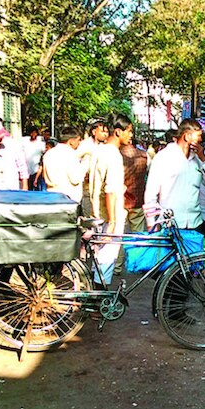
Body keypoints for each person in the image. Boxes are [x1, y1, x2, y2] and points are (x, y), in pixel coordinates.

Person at [143, 119, 205, 231]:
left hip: (195, 223)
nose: (201, 140)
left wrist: (204, 159)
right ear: (187, 137)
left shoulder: (198, 158)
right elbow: (151, 193)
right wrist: (151, 223)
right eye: (198, 136)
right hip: (170, 223)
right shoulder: (164, 157)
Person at [90, 113, 130, 284]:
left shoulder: (100, 151)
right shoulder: (113, 155)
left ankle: (94, 299)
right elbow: (110, 191)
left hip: (97, 212)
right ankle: (98, 303)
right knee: (106, 259)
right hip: (108, 215)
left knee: (98, 260)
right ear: (118, 132)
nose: (130, 135)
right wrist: (113, 221)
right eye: (129, 131)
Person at [42, 126, 85, 202]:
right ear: (71, 141)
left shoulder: (48, 153)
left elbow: (44, 175)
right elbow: (75, 179)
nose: (79, 143)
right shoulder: (71, 155)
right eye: (78, 140)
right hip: (68, 199)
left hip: (51, 196)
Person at [119, 124, 149, 233]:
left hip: (120, 201)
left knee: (118, 235)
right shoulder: (144, 156)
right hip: (137, 200)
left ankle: (121, 250)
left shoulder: (116, 154)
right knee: (138, 235)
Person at [23, 125, 46, 191]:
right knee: (28, 188)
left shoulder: (41, 144)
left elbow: (44, 154)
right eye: (32, 132)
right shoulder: (25, 143)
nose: (33, 134)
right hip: (27, 169)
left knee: (37, 188)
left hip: (36, 169)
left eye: (35, 132)